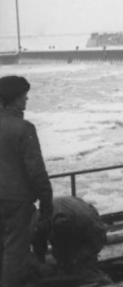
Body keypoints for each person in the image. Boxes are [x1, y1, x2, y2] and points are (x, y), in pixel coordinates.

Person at [0, 75, 53, 287]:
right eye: (24, 96)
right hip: (16, 201)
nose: (26, 100)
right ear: (17, 99)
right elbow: (36, 172)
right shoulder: (23, 128)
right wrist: (47, 203)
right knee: (15, 252)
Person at [31, 196, 111, 285]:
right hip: (65, 214)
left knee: (86, 265)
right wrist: (41, 265)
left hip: (80, 215)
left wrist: (78, 258)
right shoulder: (39, 220)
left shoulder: (88, 220)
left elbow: (99, 241)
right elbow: (37, 245)